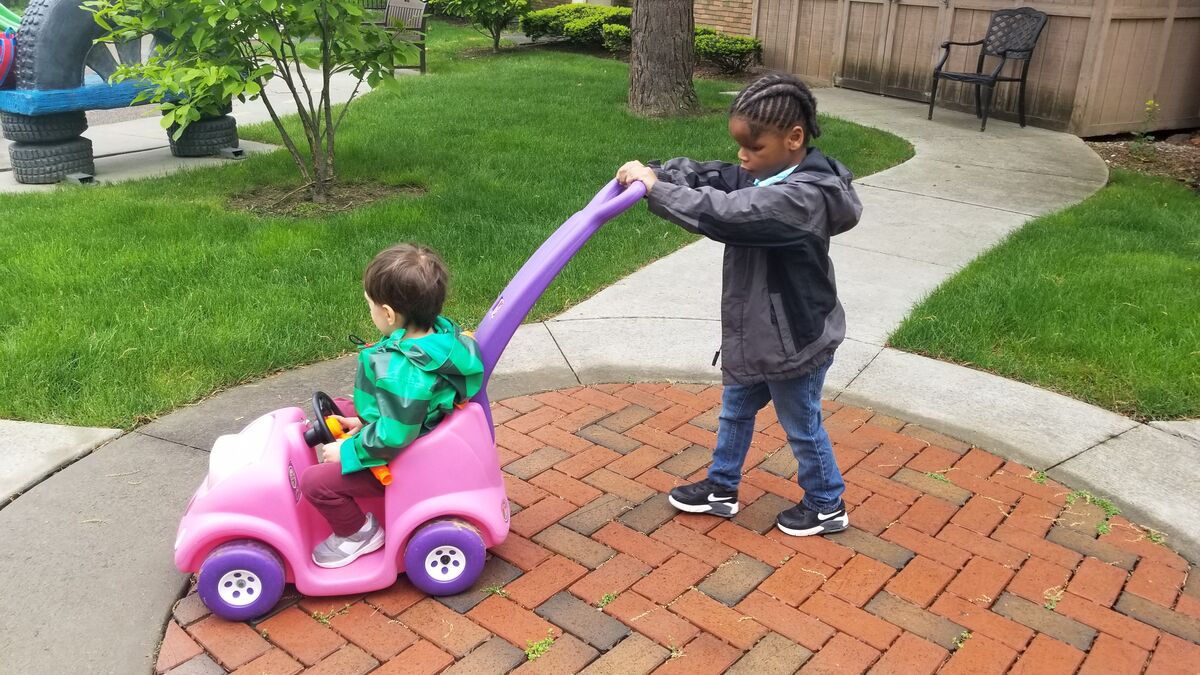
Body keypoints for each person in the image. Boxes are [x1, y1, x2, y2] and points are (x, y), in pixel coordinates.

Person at [616, 74, 862, 537]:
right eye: (741, 147)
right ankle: (721, 488)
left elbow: (729, 213)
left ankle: (828, 503)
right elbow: (719, 178)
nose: (743, 159)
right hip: (760, 333)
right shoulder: (769, 173)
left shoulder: (800, 198)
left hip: (796, 339)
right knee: (735, 409)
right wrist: (660, 172)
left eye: (754, 147)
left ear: (794, 139)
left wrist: (659, 191)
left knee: (802, 424)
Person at [301, 243, 484, 567]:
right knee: (343, 407)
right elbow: (403, 412)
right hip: (413, 421)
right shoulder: (438, 334)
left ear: (388, 314)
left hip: (403, 457)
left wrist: (349, 451)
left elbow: (395, 435)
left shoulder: (405, 374)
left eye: (370, 305)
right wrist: (362, 421)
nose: (370, 312)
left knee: (315, 483)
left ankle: (358, 533)